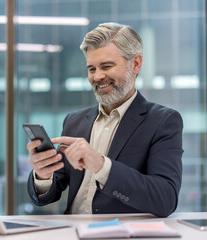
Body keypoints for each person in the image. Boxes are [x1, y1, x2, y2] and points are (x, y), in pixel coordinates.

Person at [26, 22, 183, 217]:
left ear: (135, 64)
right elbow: (50, 193)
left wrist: (101, 165)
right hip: (71, 233)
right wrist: (43, 174)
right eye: (91, 69)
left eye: (106, 66)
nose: (97, 76)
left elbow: (165, 198)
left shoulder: (163, 121)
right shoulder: (74, 121)